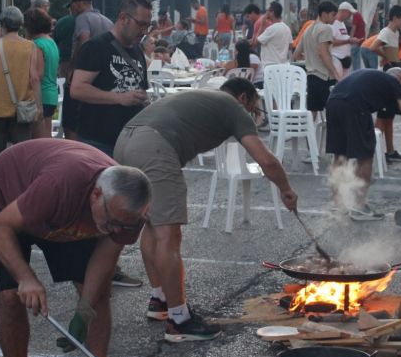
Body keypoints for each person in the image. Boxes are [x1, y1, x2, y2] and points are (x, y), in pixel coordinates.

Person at [0, 138, 151, 357]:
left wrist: (85, 310)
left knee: (96, 294)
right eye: (112, 222)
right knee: (10, 295)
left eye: (122, 226)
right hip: (12, 198)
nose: (115, 231)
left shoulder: (127, 215)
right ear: (97, 194)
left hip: (66, 216)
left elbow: (105, 259)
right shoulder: (58, 186)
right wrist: (26, 278)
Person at [114, 78, 298, 341]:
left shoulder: (206, 98)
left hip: (125, 139)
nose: (251, 116)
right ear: (244, 98)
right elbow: (266, 161)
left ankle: (161, 301)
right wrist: (286, 190)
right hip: (154, 146)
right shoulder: (235, 108)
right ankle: (180, 320)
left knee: (153, 226)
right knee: (168, 234)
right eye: (254, 109)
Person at [327, 68, 401, 220]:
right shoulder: (394, 83)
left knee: (340, 155)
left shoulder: (374, 78)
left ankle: (338, 205)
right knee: (365, 156)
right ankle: (359, 207)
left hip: (332, 103)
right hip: (355, 106)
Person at [71, 0, 151, 158]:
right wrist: (119, 98)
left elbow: (140, 88)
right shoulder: (96, 47)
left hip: (130, 141)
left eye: (147, 26)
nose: (144, 31)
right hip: (98, 142)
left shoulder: (137, 50)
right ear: (123, 18)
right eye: (141, 24)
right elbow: (77, 89)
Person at [0, 7, 42, 161]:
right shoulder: (30, 46)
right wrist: (39, 107)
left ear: (3, 24)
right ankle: (20, 183)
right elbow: (34, 78)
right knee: (22, 153)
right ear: (20, 24)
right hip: (22, 108)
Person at [63, 0, 112, 140]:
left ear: (78, 5)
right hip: (102, 75)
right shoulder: (107, 21)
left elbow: (83, 39)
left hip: (83, 74)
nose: (71, 11)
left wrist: (73, 67)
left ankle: (74, 149)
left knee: (71, 117)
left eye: (71, 7)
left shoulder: (82, 18)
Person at [369, 5, 401, 162]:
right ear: (395, 18)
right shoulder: (386, 32)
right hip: (387, 72)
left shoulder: (395, 33)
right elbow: (373, 47)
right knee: (383, 114)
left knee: (389, 116)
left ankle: (390, 150)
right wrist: (385, 55)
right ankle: (373, 148)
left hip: (394, 70)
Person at [293, 0, 341, 119]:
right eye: (333, 14)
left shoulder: (308, 29)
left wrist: (310, 57)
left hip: (311, 76)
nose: (335, 18)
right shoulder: (325, 29)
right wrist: (336, 73)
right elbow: (323, 53)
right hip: (323, 76)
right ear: (324, 14)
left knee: (312, 115)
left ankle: (309, 137)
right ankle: (332, 137)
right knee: (334, 112)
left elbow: (296, 54)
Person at [25, 8, 59, 140]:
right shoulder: (51, 41)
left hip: (41, 95)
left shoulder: (37, 45)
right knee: (47, 136)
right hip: (51, 93)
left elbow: (38, 74)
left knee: (39, 141)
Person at [253, 1, 293, 83]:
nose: (265, 13)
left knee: (270, 94)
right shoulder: (286, 28)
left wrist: (262, 25)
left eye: (267, 10)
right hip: (283, 67)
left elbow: (255, 42)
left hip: (270, 67)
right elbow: (290, 46)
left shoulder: (271, 29)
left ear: (272, 12)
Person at [332, 2, 360, 75]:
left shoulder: (342, 23)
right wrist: (348, 41)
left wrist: (350, 40)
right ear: (343, 11)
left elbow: (342, 36)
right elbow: (331, 42)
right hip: (336, 58)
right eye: (349, 13)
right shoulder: (334, 23)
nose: (350, 16)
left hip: (344, 59)